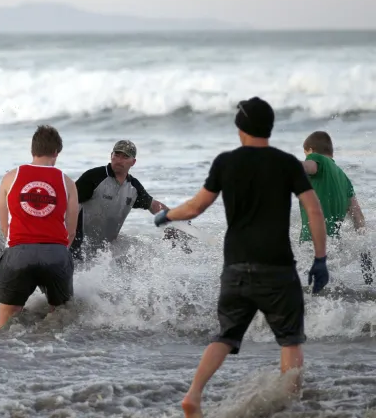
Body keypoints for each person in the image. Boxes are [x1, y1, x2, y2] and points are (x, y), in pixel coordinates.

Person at [152, 97, 329, 418]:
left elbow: (195, 207)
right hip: (278, 270)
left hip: (235, 269)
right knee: (290, 341)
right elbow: (314, 209)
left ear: (241, 128)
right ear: (269, 127)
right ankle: (290, 406)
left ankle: (194, 394)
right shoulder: (287, 163)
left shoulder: (225, 162)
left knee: (226, 336)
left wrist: (167, 215)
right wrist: (320, 258)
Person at [0, 125, 80, 331]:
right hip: (56, 253)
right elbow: (71, 231)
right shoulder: (67, 182)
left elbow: (5, 226)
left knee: (8, 314)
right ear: (56, 153)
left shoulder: (10, 177)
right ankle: (56, 358)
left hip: (19, 253)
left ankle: (0, 355)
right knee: (60, 314)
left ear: (32, 151)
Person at [71, 139, 186, 260]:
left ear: (133, 162)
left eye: (125, 157)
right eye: (117, 155)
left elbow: (153, 205)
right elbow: (67, 202)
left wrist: (173, 220)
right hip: (79, 246)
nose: (119, 160)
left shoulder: (133, 187)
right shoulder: (94, 177)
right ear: (111, 156)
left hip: (104, 252)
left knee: (142, 255)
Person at [299, 131, 372, 284]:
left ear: (311, 150)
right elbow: (358, 217)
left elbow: (308, 167)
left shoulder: (316, 159)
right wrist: (366, 259)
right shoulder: (344, 178)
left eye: (306, 153)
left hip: (311, 246)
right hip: (332, 249)